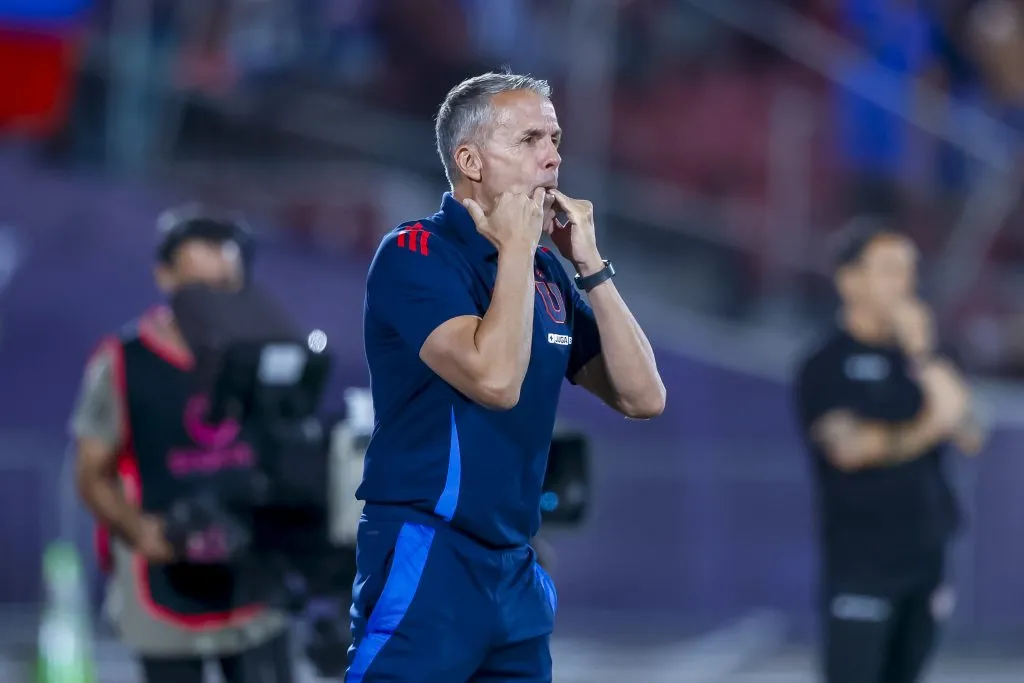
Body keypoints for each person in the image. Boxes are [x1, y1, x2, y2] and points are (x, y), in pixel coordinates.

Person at [350, 71, 666, 683]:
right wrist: (519, 249)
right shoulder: (416, 252)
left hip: (515, 565)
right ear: (470, 160)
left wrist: (590, 266)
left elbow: (643, 395)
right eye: (529, 139)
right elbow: (495, 382)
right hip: (428, 548)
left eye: (554, 138)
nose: (553, 156)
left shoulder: (548, 272)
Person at [71, 207, 293, 683]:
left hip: (253, 584)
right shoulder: (122, 362)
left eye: (225, 286)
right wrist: (137, 529)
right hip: (163, 587)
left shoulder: (266, 355)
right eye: (198, 285)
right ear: (165, 278)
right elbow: (90, 472)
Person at [793, 221, 984, 683]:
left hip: (927, 557)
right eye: (890, 269)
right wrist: (932, 424)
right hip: (861, 562)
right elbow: (851, 448)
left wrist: (921, 355)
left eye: (909, 270)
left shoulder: (927, 355)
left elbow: (969, 431)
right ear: (850, 280)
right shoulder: (825, 363)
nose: (904, 282)